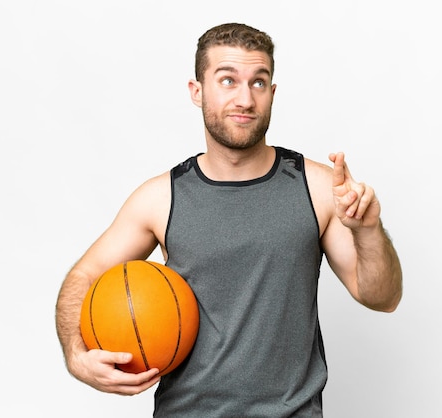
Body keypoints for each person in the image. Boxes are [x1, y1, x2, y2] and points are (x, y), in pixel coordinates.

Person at [55, 22, 402, 417]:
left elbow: (382, 297)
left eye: (258, 82)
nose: (245, 98)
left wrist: (368, 229)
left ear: (272, 94)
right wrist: (76, 356)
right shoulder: (160, 198)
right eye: (227, 80)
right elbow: (84, 277)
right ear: (197, 91)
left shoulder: (319, 188)